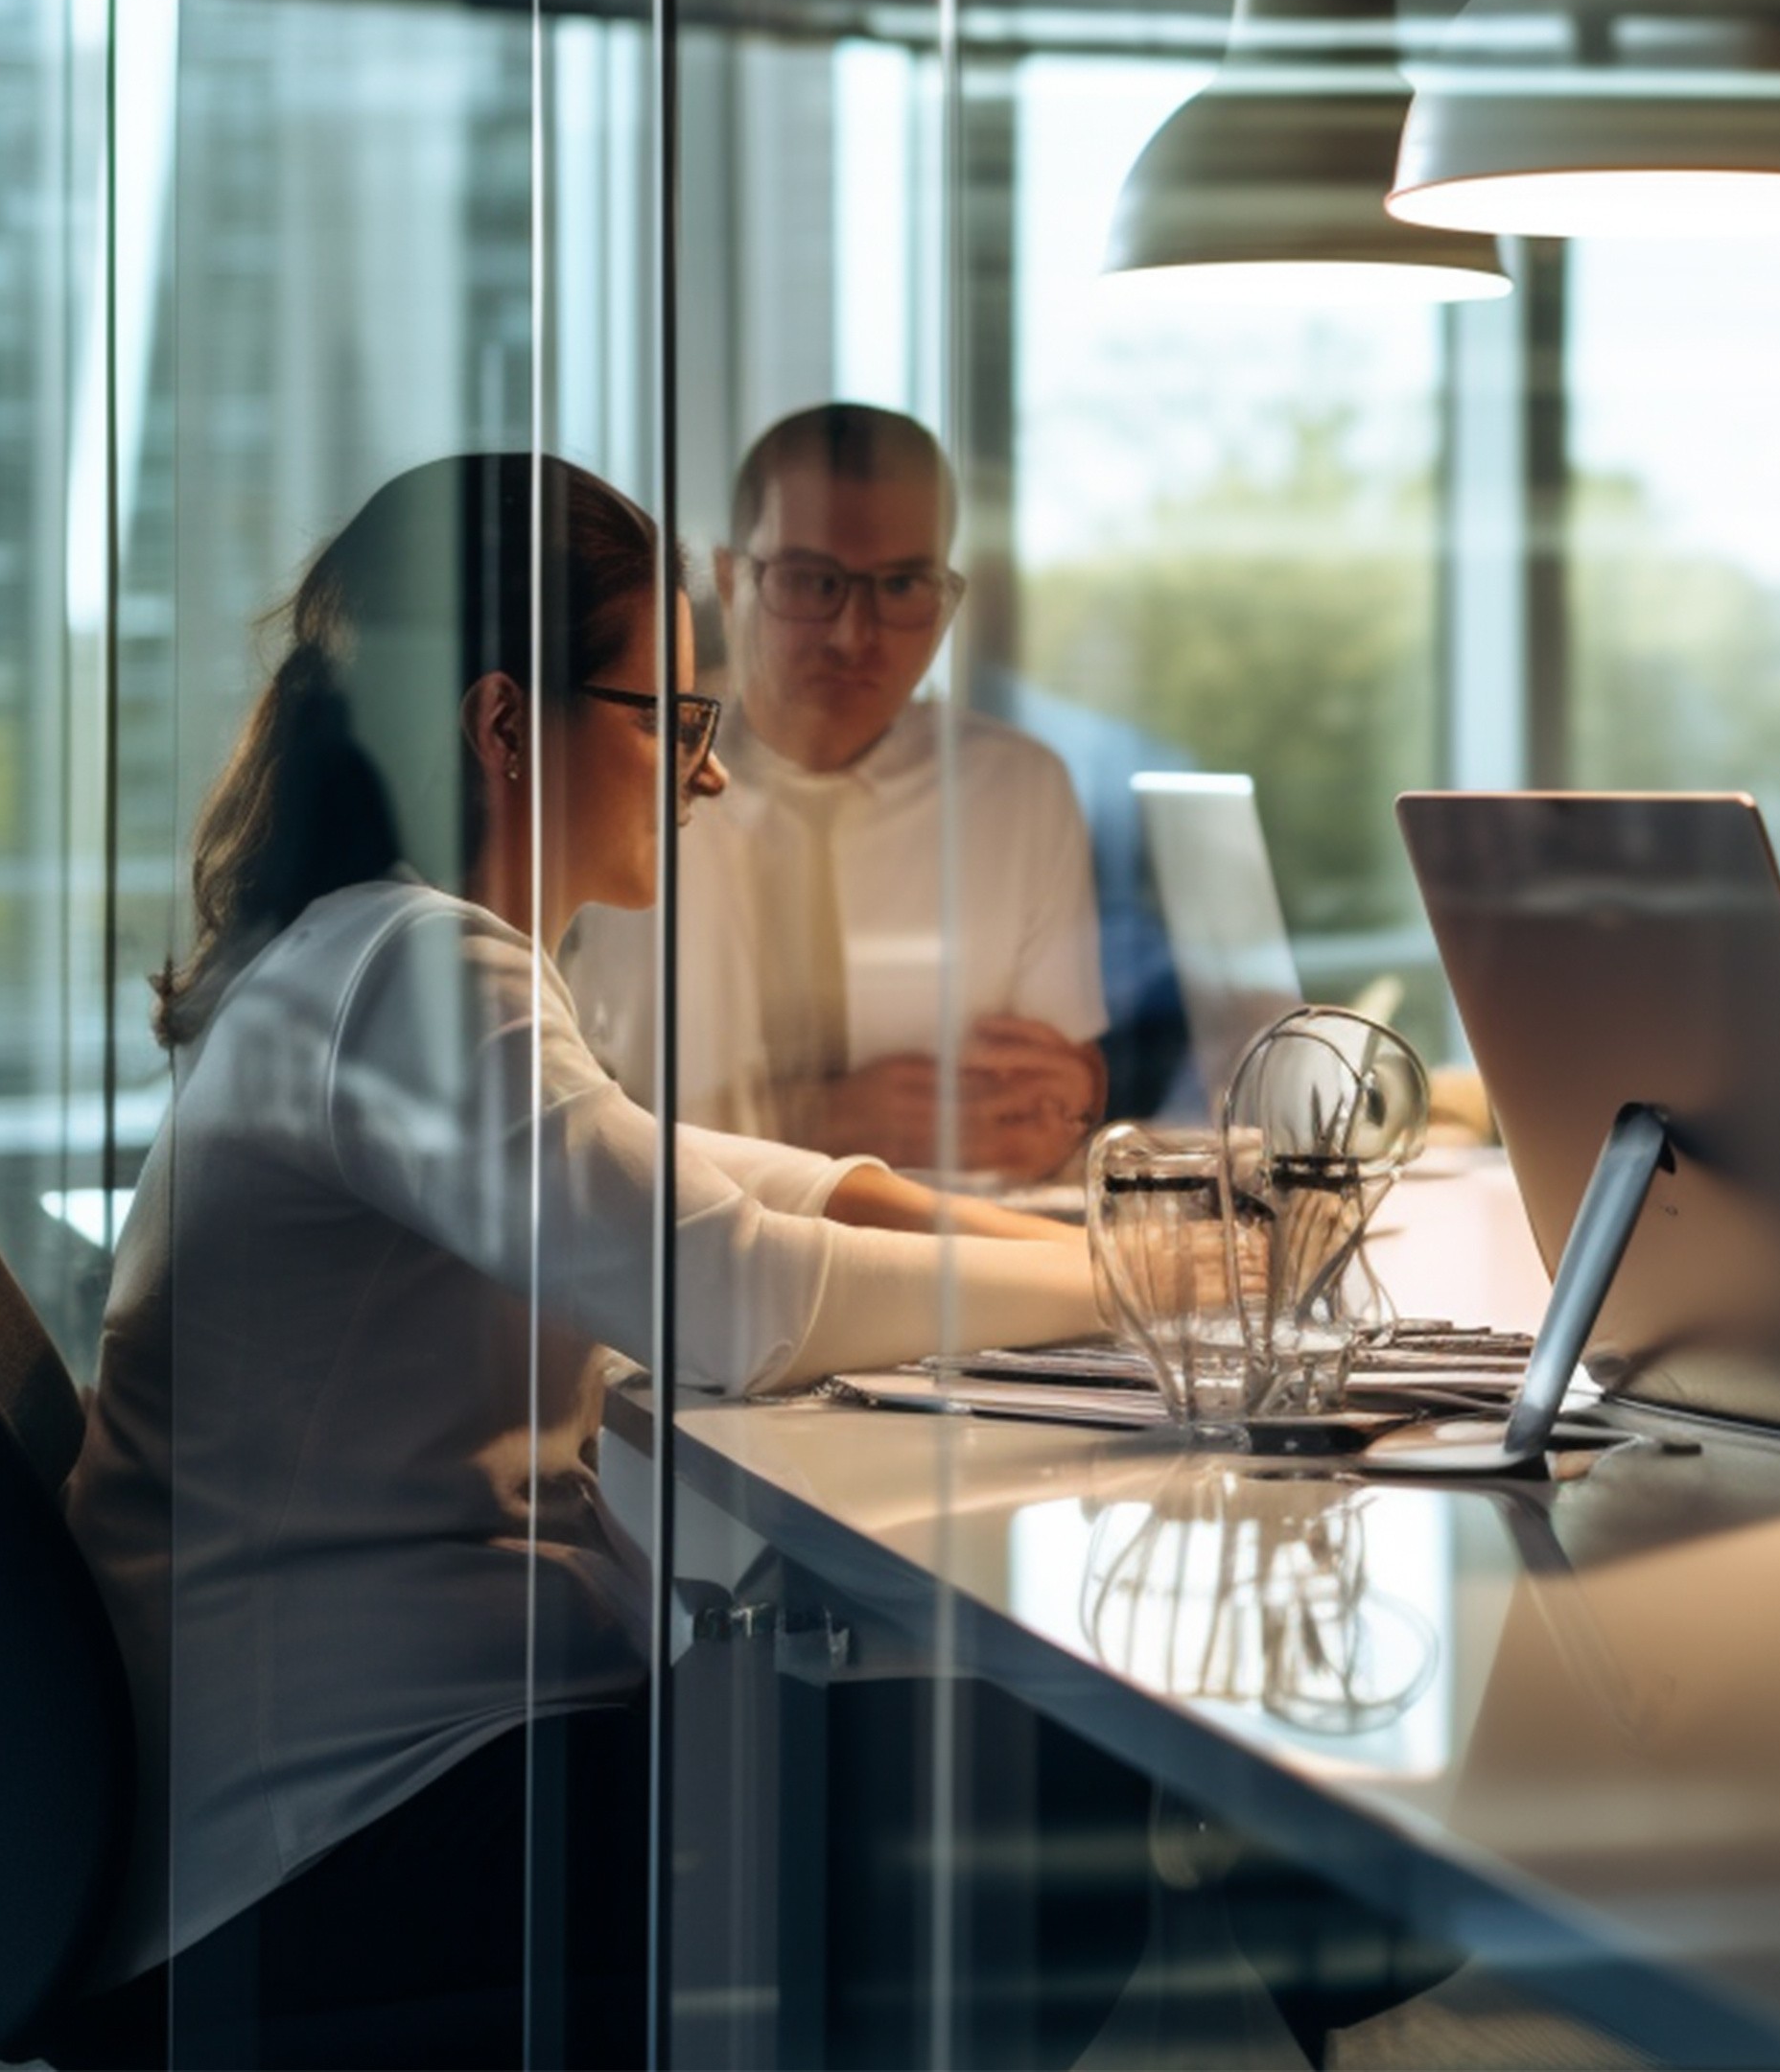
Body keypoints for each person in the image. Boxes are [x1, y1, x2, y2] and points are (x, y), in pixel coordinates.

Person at [62, 454, 1098, 2061]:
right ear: (499, 726)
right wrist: (1140, 1296)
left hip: (330, 1768)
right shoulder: (407, 965)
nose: (708, 777)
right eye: (665, 719)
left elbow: (731, 1185)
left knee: (987, 1751)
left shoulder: (367, 948)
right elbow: (734, 1292)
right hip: (322, 1833)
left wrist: (1081, 1240)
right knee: (1053, 1784)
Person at [568, 404, 1108, 1181]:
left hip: (954, 1259)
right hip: (683, 1260)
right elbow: (553, 1120)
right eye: (811, 580)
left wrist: (1075, 1099)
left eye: (903, 584)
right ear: (728, 577)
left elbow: (1062, 1088)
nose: (855, 634)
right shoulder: (626, 766)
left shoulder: (1016, 789)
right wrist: (811, 1123)